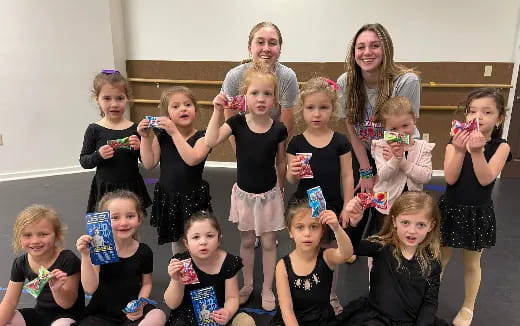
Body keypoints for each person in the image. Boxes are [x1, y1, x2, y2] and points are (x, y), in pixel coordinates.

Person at [206, 62, 287, 311]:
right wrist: (218, 111)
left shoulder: (279, 129)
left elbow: (281, 162)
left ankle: (267, 288)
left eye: (267, 93)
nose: (261, 99)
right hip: (244, 195)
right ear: (244, 97)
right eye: (254, 93)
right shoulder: (237, 124)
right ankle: (249, 283)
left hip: (269, 196)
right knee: (247, 240)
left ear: (274, 99)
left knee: (268, 243)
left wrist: (281, 189)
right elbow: (210, 140)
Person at [336, 23, 420, 247]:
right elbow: (352, 128)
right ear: (354, 53)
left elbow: (404, 132)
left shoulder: (405, 81)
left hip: (398, 150)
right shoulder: (346, 82)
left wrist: (383, 171)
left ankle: (397, 252)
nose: (367, 52)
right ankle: (356, 247)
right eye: (361, 47)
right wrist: (365, 170)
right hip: (366, 149)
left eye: (375, 46)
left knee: (395, 209)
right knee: (360, 201)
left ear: (386, 50)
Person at [439, 88, 511, 326]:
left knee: (471, 262)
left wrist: (477, 152)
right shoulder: (454, 142)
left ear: (499, 118)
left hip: (476, 212)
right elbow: (449, 178)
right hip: (450, 208)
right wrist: (460, 150)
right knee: (440, 258)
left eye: (487, 112)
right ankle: (427, 297)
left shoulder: (502, 147)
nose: (477, 117)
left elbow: (486, 178)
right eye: (471, 111)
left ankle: (468, 306)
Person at [285, 77, 354, 314]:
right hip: (305, 207)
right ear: (301, 110)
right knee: (306, 250)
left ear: (332, 109)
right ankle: (301, 293)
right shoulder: (296, 143)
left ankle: (331, 294)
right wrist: (292, 172)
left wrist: (346, 206)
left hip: (331, 205)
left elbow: (347, 176)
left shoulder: (340, 141)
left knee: (330, 254)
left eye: (323, 107)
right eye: (310, 108)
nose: (317, 114)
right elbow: (291, 179)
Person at [343, 191, 448, 326]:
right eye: (405, 222)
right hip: (377, 319)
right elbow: (353, 248)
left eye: (420, 225)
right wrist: (354, 224)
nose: (412, 231)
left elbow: (430, 302)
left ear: (431, 226)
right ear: (394, 221)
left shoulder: (432, 261)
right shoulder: (382, 247)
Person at [138, 86, 212, 253]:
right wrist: (145, 137)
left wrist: (174, 132)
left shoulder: (203, 137)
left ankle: (202, 271)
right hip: (169, 197)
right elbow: (149, 163)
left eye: (188, 105)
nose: (183, 109)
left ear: (195, 109)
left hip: (192, 197)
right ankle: (181, 273)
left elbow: (192, 159)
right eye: (176, 106)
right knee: (178, 241)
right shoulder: (162, 135)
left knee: (199, 238)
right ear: (167, 114)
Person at [75, 190, 166, 325]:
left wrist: (140, 304)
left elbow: (146, 283)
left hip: (131, 312)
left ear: (139, 218)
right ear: (104, 221)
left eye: (130, 216)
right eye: (115, 217)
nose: (123, 223)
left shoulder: (144, 251)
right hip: (102, 314)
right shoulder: (100, 249)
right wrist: (86, 256)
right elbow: (89, 288)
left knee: (158, 315)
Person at [164, 212, 255, 326]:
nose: (203, 242)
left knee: (246, 321)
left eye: (210, 236)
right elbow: (172, 304)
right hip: (189, 315)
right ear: (186, 243)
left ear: (219, 239)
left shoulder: (228, 263)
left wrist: (228, 312)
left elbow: (232, 297)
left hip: (218, 313)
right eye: (196, 237)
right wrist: (176, 280)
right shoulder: (183, 263)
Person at [270, 202, 354, 326]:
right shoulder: (283, 266)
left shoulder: (326, 257)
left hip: (322, 320)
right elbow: (287, 309)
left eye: (314, 227)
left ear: (322, 231)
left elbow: (346, 254)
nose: (307, 233)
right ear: (290, 232)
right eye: (300, 227)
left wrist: (336, 227)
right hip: (293, 321)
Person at [79, 70, 151, 213]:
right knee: (107, 225)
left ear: (127, 99)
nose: (114, 104)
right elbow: (84, 161)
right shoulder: (94, 129)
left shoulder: (135, 129)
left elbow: (146, 161)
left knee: (131, 223)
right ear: (97, 100)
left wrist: (140, 147)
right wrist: (98, 155)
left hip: (131, 186)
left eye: (119, 98)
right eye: (107, 98)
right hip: (106, 187)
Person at [0, 205, 84, 326]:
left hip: (67, 316)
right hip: (40, 313)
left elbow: (68, 303)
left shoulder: (67, 259)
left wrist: (57, 289)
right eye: (28, 235)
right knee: (7, 317)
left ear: (57, 234)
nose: (35, 241)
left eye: (43, 234)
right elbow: (9, 302)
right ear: (19, 238)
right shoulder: (21, 263)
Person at [222, 21, 299, 145]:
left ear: (280, 49)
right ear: (250, 48)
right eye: (260, 42)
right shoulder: (235, 77)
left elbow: (286, 128)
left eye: (273, 43)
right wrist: (242, 156)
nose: (266, 48)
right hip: (245, 143)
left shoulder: (287, 78)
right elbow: (231, 125)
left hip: (273, 143)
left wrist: (277, 159)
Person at [368, 96, 434, 235]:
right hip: (385, 205)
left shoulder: (422, 147)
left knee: (408, 238)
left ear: (414, 120)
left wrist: (402, 161)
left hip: (413, 206)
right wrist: (394, 160)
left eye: (405, 126)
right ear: (385, 128)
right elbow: (384, 176)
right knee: (382, 240)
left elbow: (425, 177)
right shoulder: (381, 146)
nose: (400, 133)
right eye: (393, 128)